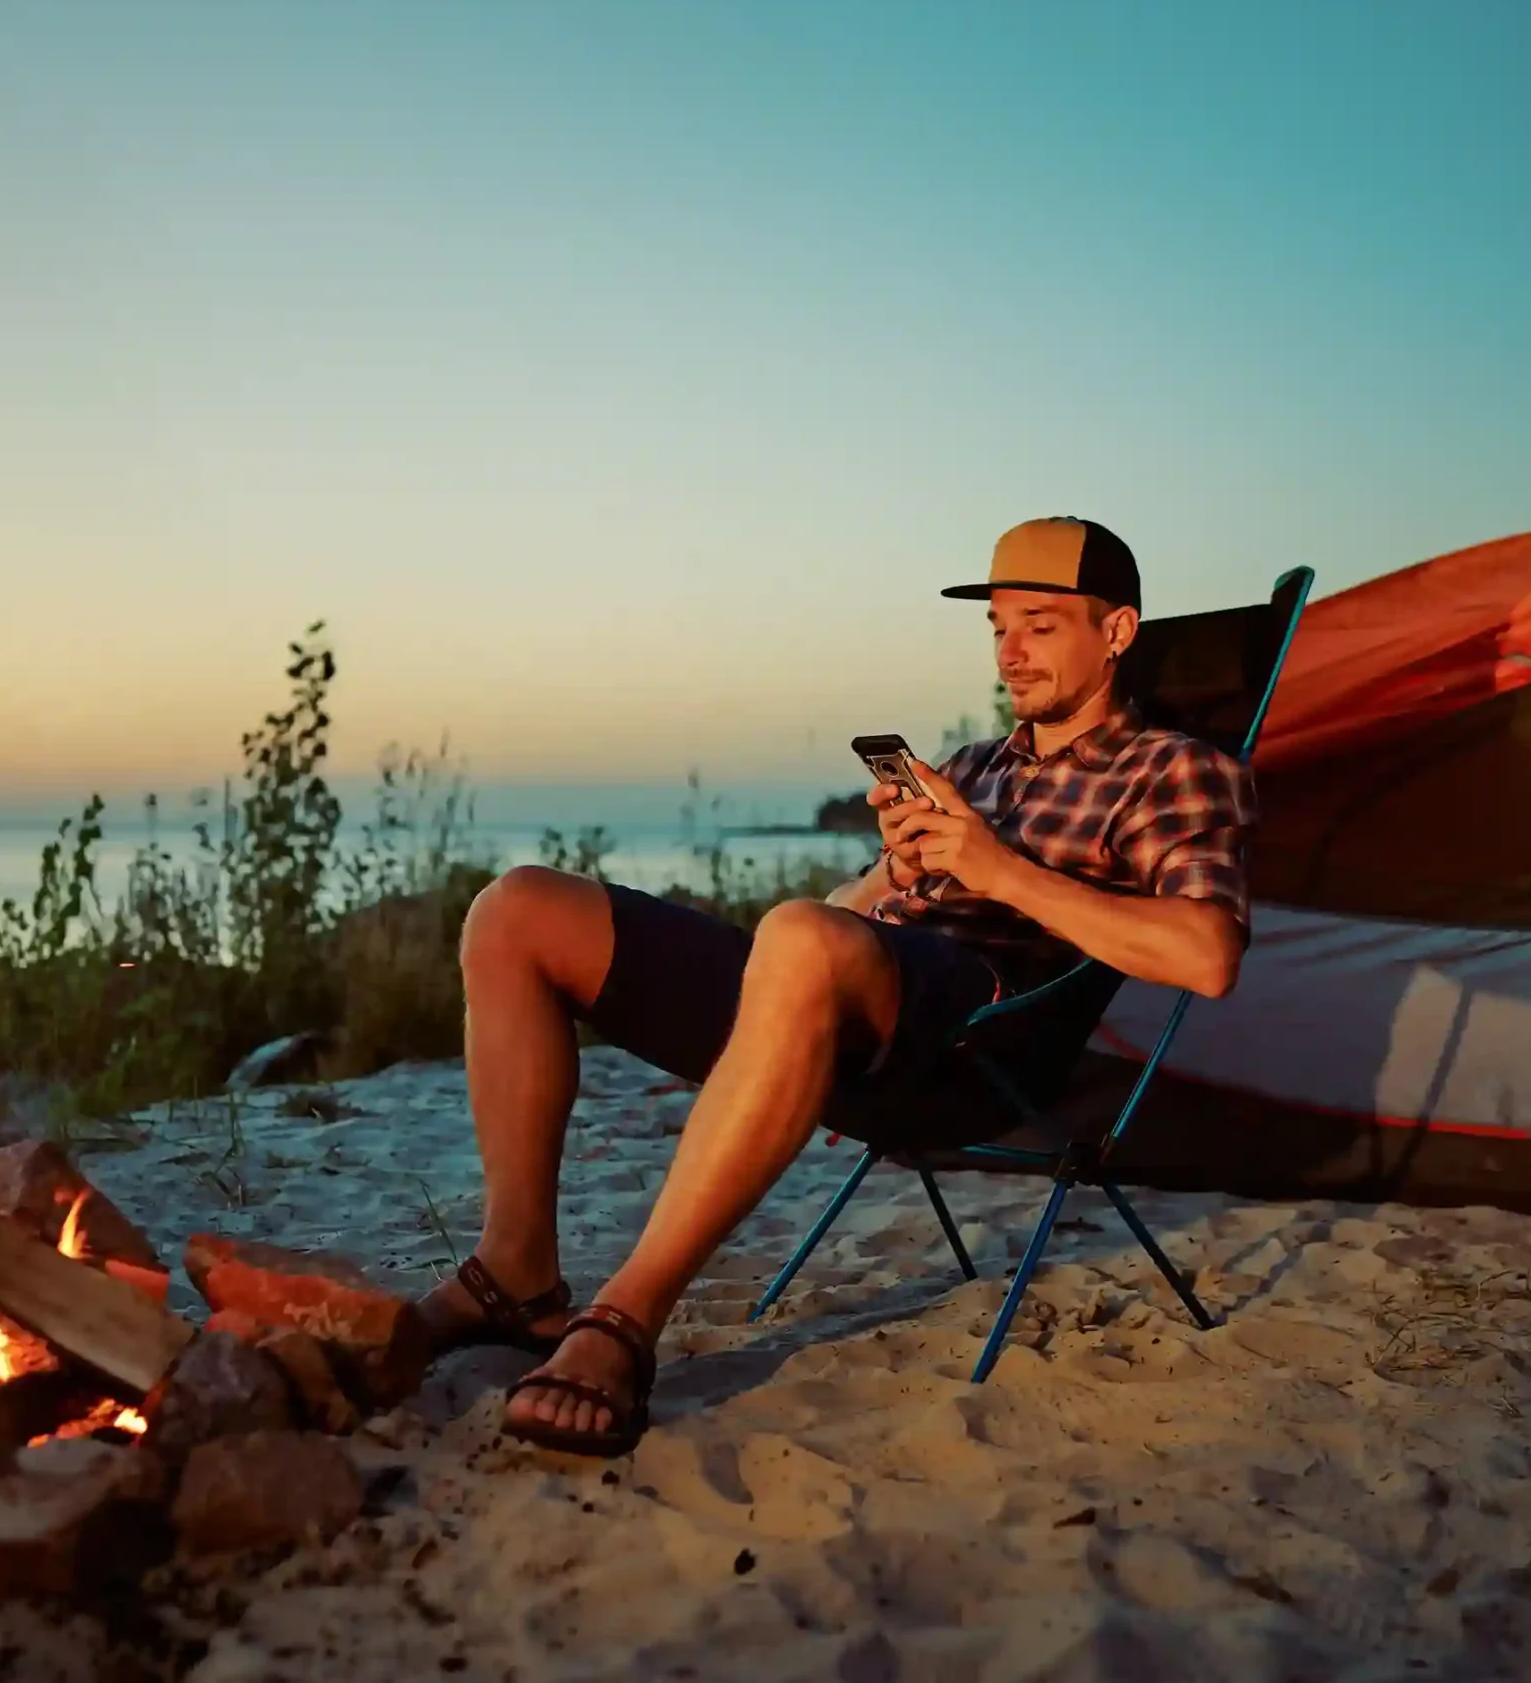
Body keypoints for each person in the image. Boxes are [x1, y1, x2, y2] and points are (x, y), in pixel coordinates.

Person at [414, 517, 1258, 1456]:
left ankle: (624, 1320)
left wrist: (999, 870)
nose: (1010, 652)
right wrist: (895, 874)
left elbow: (1208, 955)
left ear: (1117, 632)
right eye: (997, 628)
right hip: (833, 994)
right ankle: (516, 1270)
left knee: (801, 939)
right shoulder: (973, 769)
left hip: (974, 1042)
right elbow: (830, 917)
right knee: (518, 908)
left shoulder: (1176, 770)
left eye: (1040, 625)